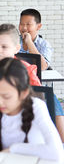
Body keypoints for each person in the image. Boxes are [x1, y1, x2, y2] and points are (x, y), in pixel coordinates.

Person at [0, 58, 64, 161]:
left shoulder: (37, 107)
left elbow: (56, 152)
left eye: (6, 97)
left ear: (24, 93)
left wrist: (14, 149)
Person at [19, 8, 64, 142]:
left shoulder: (44, 45)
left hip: (41, 90)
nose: (24, 28)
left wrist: (29, 43)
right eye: (22, 24)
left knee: (57, 111)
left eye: (28, 24)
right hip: (20, 90)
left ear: (38, 26)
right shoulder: (14, 43)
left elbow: (43, 66)